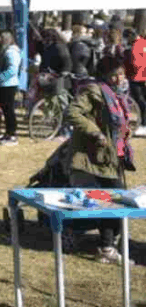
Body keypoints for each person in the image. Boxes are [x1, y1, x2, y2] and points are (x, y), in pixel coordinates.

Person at [67, 54, 136, 265]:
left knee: (117, 203)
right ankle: (72, 235)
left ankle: (107, 247)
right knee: (99, 202)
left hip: (111, 159)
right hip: (92, 158)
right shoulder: (93, 90)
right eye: (114, 75)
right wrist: (95, 133)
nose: (119, 78)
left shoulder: (118, 94)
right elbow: (73, 112)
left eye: (122, 74)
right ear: (104, 75)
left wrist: (126, 131)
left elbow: (118, 121)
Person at [0, 31, 22, 146]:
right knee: (5, 110)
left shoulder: (11, 52)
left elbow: (12, 70)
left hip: (8, 85)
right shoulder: (1, 51)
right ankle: (8, 132)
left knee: (9, 111)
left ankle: (12, 135)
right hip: (1, 85)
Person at [124, 29, 146, 137]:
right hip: (142, 76)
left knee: (139, 101)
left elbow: (135, 63)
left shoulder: (136, 46)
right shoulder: (143, 42)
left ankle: (143, 124)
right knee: (142, 100)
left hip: (135, 77)